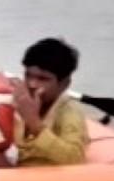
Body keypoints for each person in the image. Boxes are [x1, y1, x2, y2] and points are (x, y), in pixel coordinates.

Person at [13, 38, 89, 167]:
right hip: (12, 170)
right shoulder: (19, 100)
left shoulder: (70, 112)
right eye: (28, 75)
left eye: (43, 79)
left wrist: (34, 124)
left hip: (44, 176)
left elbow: (74, 158)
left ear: (64, 84)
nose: (32, 84)